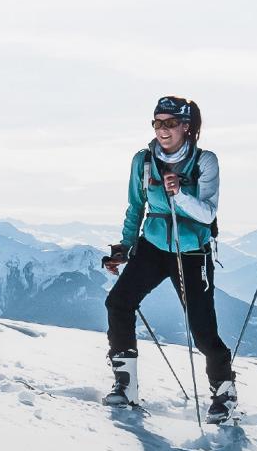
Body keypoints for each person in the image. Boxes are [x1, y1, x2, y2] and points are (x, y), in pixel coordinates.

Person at [101, 97, 236, 419]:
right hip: (153, 245)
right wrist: (124, 246)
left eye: (171, 123)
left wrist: (180, 194)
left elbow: (207, 214)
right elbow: (136, 206)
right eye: (158, 122)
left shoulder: (205, 161)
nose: (163, 129)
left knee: (202, 329)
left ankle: (224, 394)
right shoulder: (143, 160)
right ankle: (125, 385)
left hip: (192, 252)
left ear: (187, 127)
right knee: (118, 303)